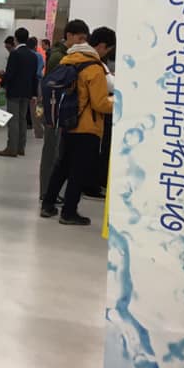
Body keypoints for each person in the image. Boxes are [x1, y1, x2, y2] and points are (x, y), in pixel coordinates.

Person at [40, 19, 113, 226]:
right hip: (87, 126)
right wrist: (118, 103)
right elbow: (99, 103)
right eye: (108, 50)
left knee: (62, 165)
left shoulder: (69, 60)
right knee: (79, 171)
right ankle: (69, 212)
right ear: (102, 46)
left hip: (68, 122)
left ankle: (48, 204)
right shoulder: (94, 68)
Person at [83, 26, 117, 200]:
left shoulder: (75, 57)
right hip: (91, 119)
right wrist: (115, 103)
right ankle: (89, 187)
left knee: (70, 160)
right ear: (102, 46)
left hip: (77, 117)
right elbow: (102, 98)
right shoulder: (95, 64)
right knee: (88, 155)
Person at [0, 27, 38, 158]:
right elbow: (34, 76)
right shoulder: (33, 55)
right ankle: (21, 147)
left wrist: (1, 83)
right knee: (22, 119)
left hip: (14, 91)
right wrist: (34, 93)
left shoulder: (14, 54)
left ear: (15, 39)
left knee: (13, 120)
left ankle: (11, 148)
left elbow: (10, 74)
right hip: (27, 92)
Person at [39, 27, 70, 203]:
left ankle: (50, 191)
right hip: (53, 111)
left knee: (55, 152)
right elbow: (50, 86)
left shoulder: (62, 55)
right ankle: (46, 192)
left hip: (56, 111)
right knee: (51, 151)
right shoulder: (59, 57)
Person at [27, 37, 46, 140]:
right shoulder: (38, 56)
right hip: (38, 83)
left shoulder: (27, 55)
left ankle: (38, 131)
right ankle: (40, 130)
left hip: (28, 84)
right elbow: (41, 68)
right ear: (35, 46)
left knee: (31, 108)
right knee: (38, 106)